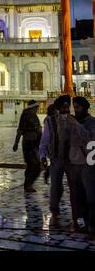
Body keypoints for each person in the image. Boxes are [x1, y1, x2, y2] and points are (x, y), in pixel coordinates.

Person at [39, 97, 72, 224]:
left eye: (67, 107)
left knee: (74, 187)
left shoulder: (72, 120)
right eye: (63, 107)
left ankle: (76, 215)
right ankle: (54, 213)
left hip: (71, 159)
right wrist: (42, 156)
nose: (66, 110)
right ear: (58, 109)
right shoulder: (50, 121)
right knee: (56, 187)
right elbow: (45, 139)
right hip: (56, 158)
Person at [66, 96, 95, 235]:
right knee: (79, 196)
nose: (75, 110)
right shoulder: (75, 121)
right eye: (74, 107)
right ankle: (86, 222)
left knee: (91, 196)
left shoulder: (91, 122)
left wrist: (77, 125)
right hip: (75, 163)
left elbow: (90, 137)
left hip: (88, 163)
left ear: (84, 108)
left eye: (77, 107)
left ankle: (93, 225)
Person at [13, 100, 42, 193]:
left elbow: (38, 130)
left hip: (35, 143)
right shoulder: (26, 116)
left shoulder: (33, 116)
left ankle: (28, 184)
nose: (37, 109)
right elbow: (20, 130)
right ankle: (28, 184)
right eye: (36, 108)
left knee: (33, 165)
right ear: (32, 108)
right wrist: (16, 143)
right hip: (29, 144)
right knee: (35, 165)